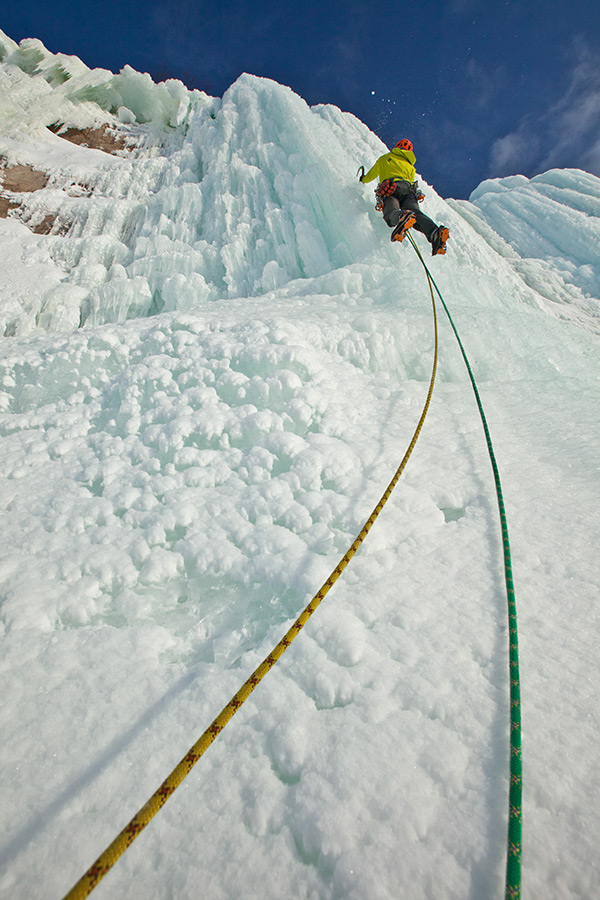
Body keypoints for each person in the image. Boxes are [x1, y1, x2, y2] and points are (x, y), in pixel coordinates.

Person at [359, 139, 449, 255]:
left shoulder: (386, 158)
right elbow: (411, 182)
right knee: (416, 213)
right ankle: (435, 232)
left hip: (391, 188)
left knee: (391, 213)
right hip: (409, 191)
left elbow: (372, 174)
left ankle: (402, 215)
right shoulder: (410, 167)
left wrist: (363, 179)